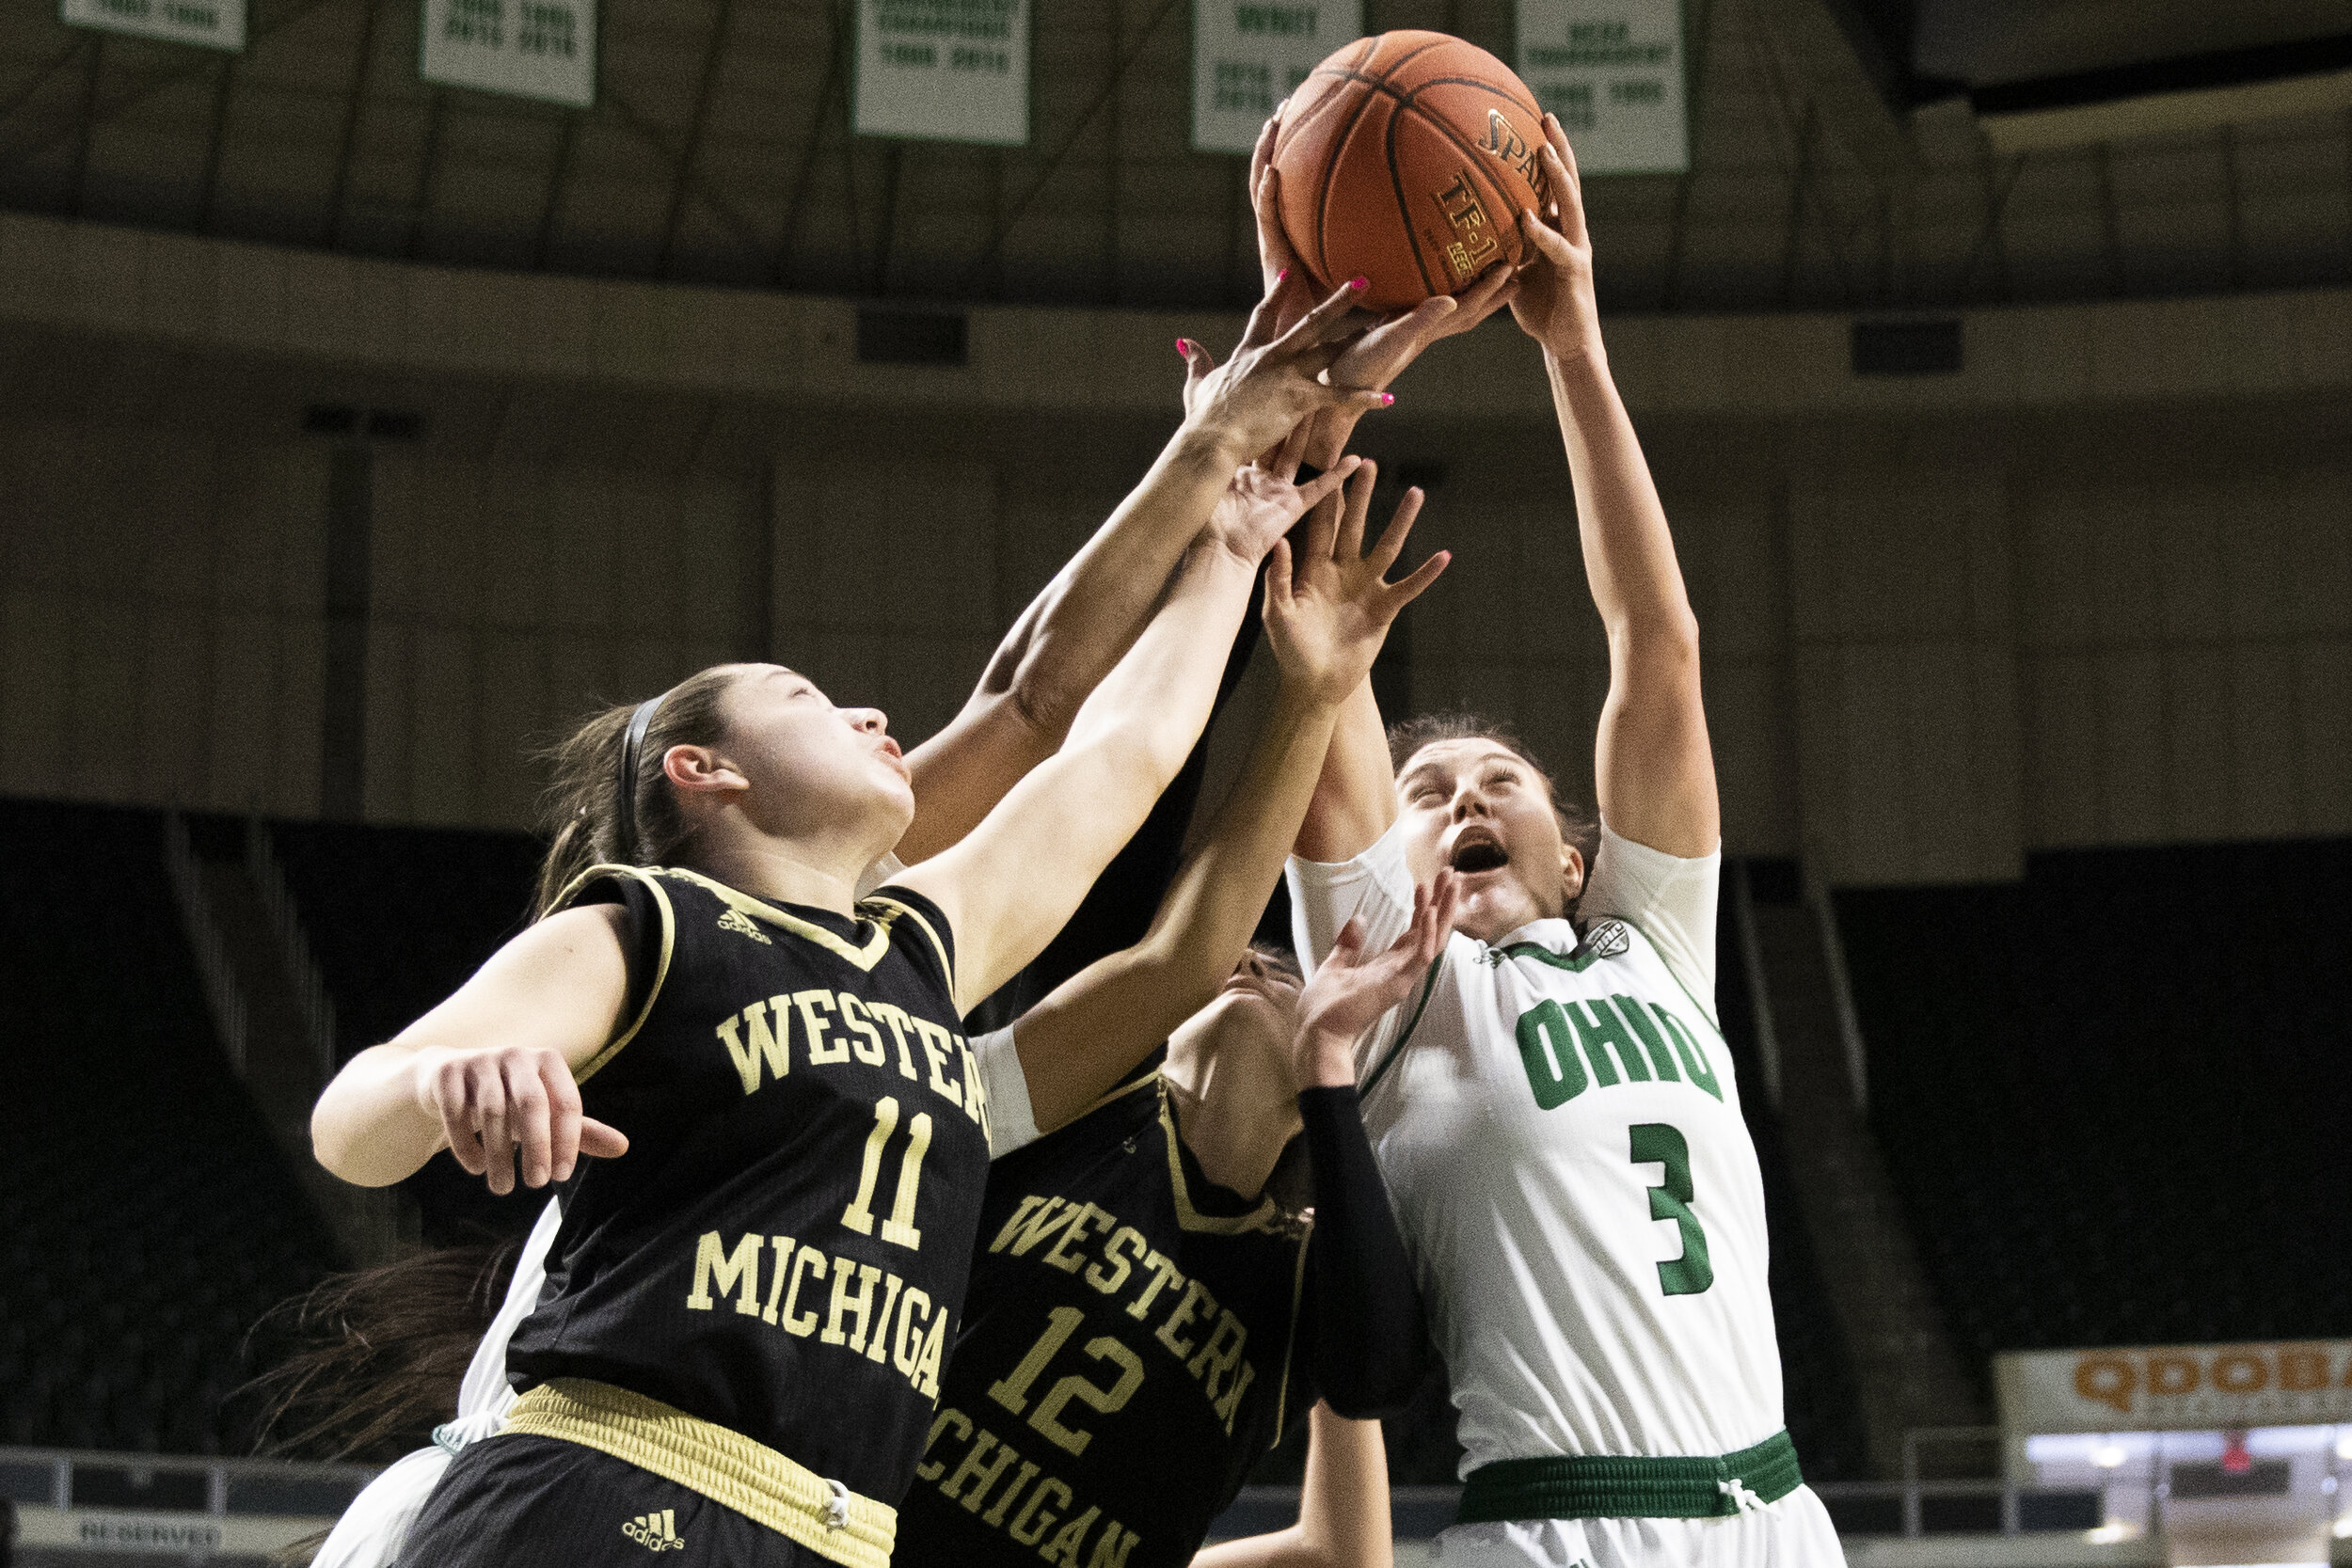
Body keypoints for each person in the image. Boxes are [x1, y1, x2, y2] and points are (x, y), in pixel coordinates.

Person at [309, 281, 1389, 1568]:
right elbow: (351, 1121)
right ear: (701, 772)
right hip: (603, 1479)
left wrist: (1231, 539)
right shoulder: (655, 926)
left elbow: (1123, 750)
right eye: (807, 693)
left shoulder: (925, 950)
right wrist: (446, 1073)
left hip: (833, 1530)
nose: (875, 714)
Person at [1279, 119, 1848, 1566]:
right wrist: (1321, 398)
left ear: (1579, 854)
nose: (1465, 796)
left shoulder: (1657, 947)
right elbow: (1320, 678)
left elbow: (1657, 647)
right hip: (1565, 1525)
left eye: (1501, 779)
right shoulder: (1393, 989)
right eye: (1431, 791)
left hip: (1779, 1512)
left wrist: (1575, 346)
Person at [896, 461, 1456, 1567]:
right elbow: (1180, 944)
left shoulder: (1306, 1264)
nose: (1256, 967)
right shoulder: (1084, 1104)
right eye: (1245, 961)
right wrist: (1303, 684)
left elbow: (1355, 1529)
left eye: (1280, 968)